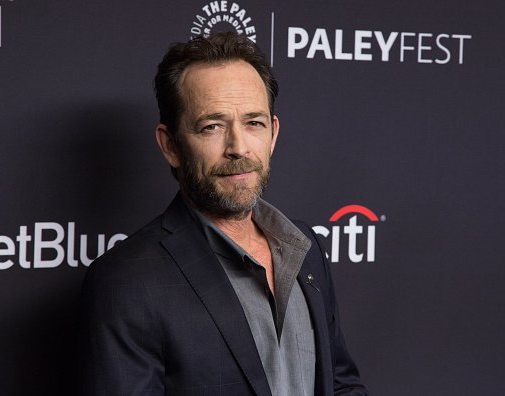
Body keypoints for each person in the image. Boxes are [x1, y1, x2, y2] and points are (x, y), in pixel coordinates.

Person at [79, 32, 367, 396]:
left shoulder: (306, 249)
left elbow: (340, 383)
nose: (238, 147)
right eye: (212, 126)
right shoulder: (127, 281)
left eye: (254, 123)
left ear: (273, 134)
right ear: (170, 145)